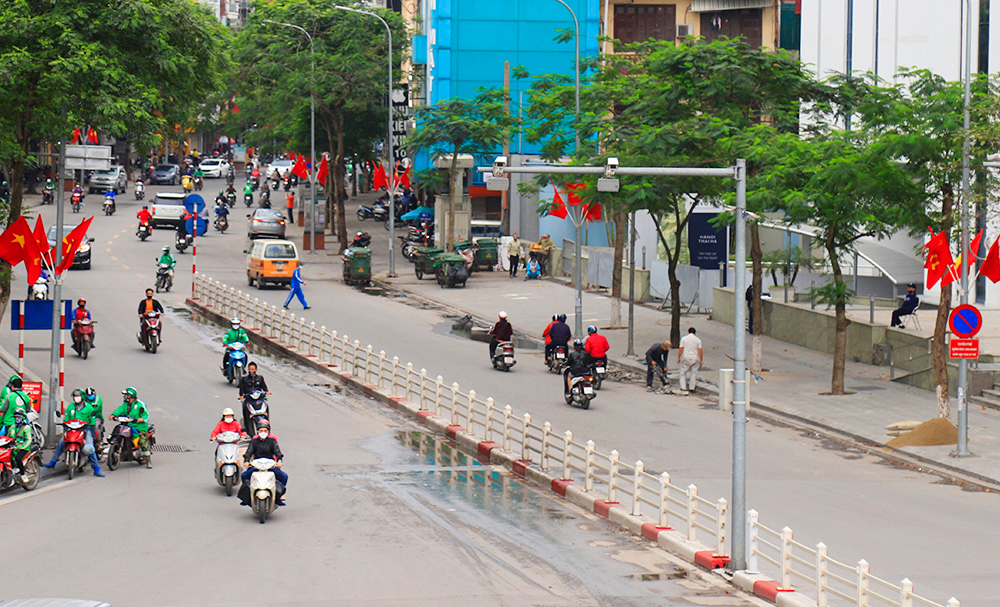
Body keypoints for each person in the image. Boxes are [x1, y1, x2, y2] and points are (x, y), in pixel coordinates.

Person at [44, 389, 103, 476]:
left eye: (78, 396)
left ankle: (96, 469)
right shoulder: (71, 407)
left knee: (90, 448)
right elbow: (66, 419)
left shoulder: (89, 408)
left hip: (84, 430)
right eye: (75, 396)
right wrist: (65, 428)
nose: (77, 398)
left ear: (82, 397)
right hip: (71, 429)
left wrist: (93, 434)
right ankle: (53, 462)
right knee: (61, 443)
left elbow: (92, 422)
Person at [241, 420, 287, 506]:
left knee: (284, 476)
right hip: (256, 466)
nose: (263, 432)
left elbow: (278, 453)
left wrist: (279, 461)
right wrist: (246, 461)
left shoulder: (272, 441)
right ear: (258, 431)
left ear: (268, 431)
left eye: (265, 431)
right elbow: (249, 452)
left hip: (269, 465)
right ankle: (247, 496)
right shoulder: (254, 441)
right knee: (244, 476)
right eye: (261, 431)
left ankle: (279, 495)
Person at [110, 387, 152, 469]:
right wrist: (113, 415)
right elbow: (120, 410)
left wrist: (142, 419)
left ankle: (148, 460)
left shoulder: (140, 404)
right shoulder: (125, 404)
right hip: (128, 425)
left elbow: (146, 415)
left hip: (140, 427)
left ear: (130, 396)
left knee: (143, 442)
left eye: (126, 394)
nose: (125, 396)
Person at [677, 328, 704, 393]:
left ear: (688, 332)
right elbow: (700, 350)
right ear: (695, 333)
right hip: (695, 358)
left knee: (683, 373)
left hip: (686, 357)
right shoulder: (698, 340)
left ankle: (683, 387)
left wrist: (678, 357)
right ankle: (692, 388)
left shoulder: (684, 339)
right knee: (693, 374)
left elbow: (681, 348)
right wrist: (701, 360)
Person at [7, 412, 33, 480]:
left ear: (22, 418)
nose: (17, 419)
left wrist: (20, 447)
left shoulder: (26, 428)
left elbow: (29, 440)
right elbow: (8, 437)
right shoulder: (12, 427)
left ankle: (23, 474)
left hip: (23, 448)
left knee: (18, 459)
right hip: (13, 447)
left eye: (18, 417)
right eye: (15, 418)